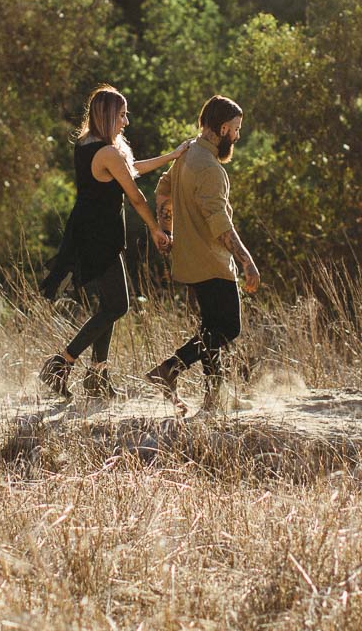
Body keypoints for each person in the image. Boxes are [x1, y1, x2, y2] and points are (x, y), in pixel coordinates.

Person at [38, 85, 187, 400]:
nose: (126, 121)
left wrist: (172, 156)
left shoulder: (88, 145)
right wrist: (156, 230)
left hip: (93, 231)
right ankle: (61, 364)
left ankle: (97, 376)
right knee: (118, 305)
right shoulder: (107, 152)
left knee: (110, 305)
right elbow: (136, 196)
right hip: (98, 236)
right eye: (121, 115)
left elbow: (131, 169)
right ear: (106, 116)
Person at [144, 95, 260, 413]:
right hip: (211, 261)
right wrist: (247, 260)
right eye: (236, 129)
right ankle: (169, 369)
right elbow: (219, 224)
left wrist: (166, 230)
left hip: (189, 258)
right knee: (229, 328)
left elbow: (163, 189)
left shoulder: (188, 152)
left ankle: (215, 397)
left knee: (210, 329)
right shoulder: (210, 168)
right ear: (223, 129)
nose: (237, 135)